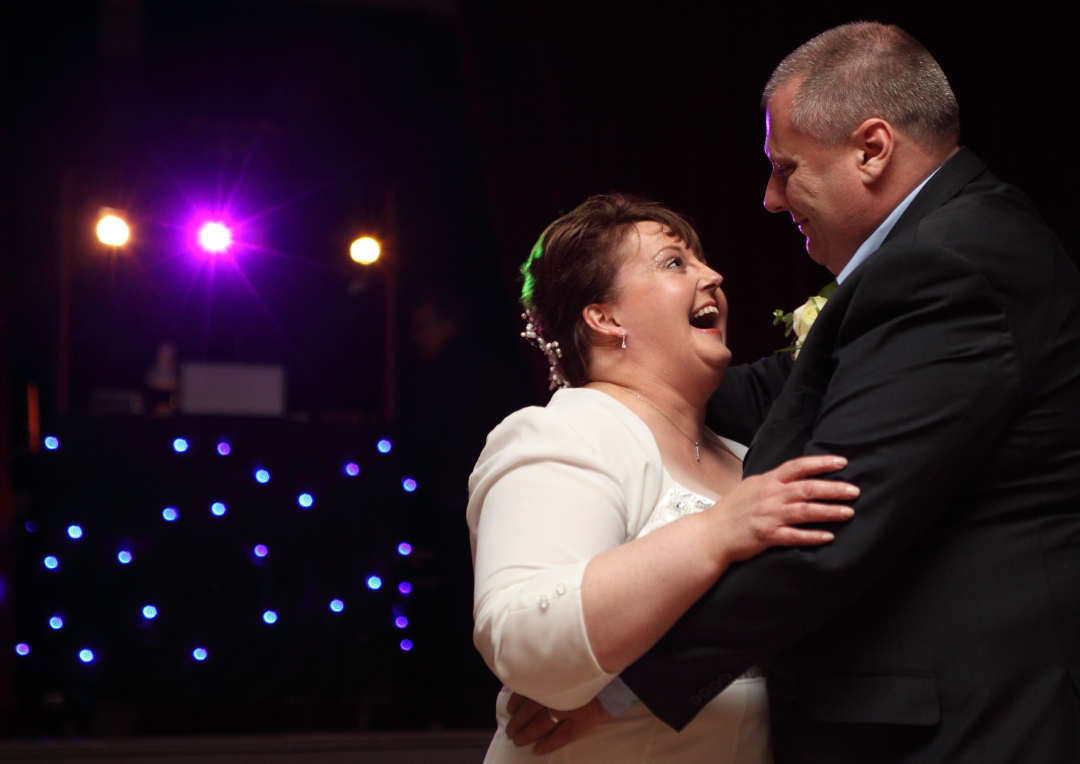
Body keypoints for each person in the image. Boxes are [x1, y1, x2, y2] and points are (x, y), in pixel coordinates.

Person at [605, 22, 1080, 764]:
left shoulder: (951, 263)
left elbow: (831, 518)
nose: (770, 198)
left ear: (872, 148)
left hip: (965, 727)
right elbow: (778, 396)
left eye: (785, 168)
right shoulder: (950, 242)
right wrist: (610, 372)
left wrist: (615, 686)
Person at [467, 194, 858, 762]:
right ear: (605, 318)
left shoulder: (744, 458)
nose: (713, 276)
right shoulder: (563, 434)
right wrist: (715, 531)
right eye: (675, 263)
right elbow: (521, 638)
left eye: (700, 259)